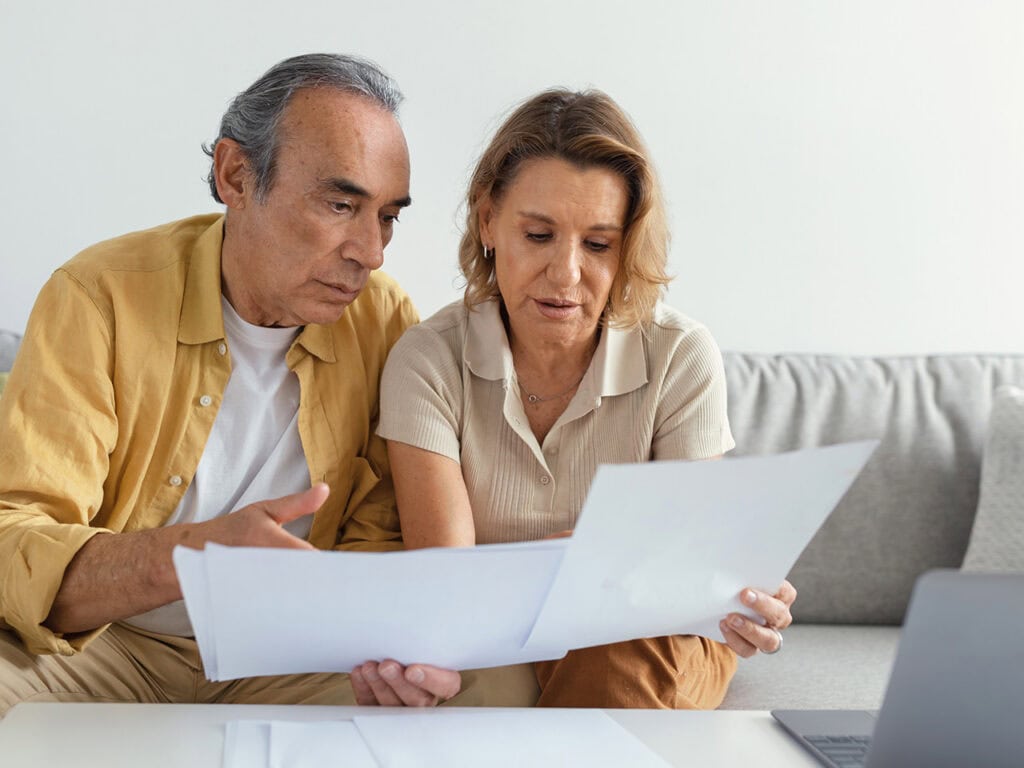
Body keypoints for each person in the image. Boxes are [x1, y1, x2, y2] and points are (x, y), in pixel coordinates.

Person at [0, 53, 466, 716]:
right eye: (341, 204)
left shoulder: (385, 318)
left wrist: (394, 653)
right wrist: (192, 559)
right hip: (106, 645)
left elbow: (377, 535)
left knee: (481, 696)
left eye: (388, 216)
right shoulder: (99, 294)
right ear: (236, 175)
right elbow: (13, 539)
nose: (371, 250)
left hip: (290, 655)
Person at [373, 89, 798, 708]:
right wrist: (616, 554)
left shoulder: (681, 355)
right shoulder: (428, 360)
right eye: (539, 235)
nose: (567, 273)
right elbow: (448, 588)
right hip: (498, 635)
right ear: (489, 221)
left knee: (621, 649)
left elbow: (674, 575)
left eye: (598, 245)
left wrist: (733, 589)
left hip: (647, 633)